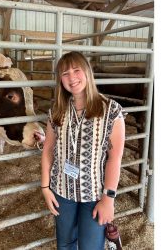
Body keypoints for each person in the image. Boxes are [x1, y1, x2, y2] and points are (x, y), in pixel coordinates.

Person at [40, 51, 125, 250]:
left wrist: (108, 198)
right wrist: (45, 188)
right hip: (61, 190)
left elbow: (115, 158)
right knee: (65, 243)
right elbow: (48, 150)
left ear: (87, 72)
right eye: (65, 74)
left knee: (91, 246)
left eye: (76, 70)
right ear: (60, 80)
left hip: (95, 194)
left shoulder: (111, 110)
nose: (72, 78)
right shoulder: (57, 111)